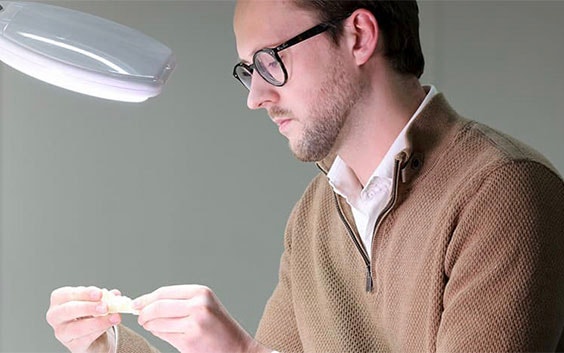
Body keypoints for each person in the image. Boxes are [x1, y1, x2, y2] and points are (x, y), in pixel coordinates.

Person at [46, 0, 564, 352]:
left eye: (271, 60)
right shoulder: (317, 215)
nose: (255, 96)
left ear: (358, 36)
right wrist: (109, 342)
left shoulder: (503, 192)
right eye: (249, 70)